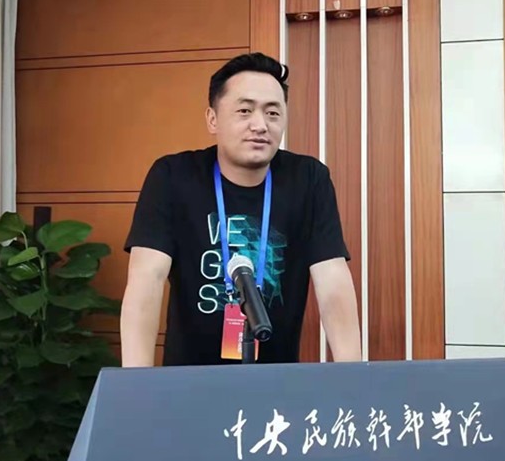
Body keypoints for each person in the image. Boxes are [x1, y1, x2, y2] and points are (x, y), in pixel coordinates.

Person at [119, 52, 362, 367]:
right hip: (188, 378)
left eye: (272, 113)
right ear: (213, 119)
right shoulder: (173, 176)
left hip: (277, 379)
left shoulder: (308, 179)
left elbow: (332, 280)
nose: (260, 125)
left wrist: (352, 375)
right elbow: (146, 278)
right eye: (245, 110)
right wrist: (135, 381)